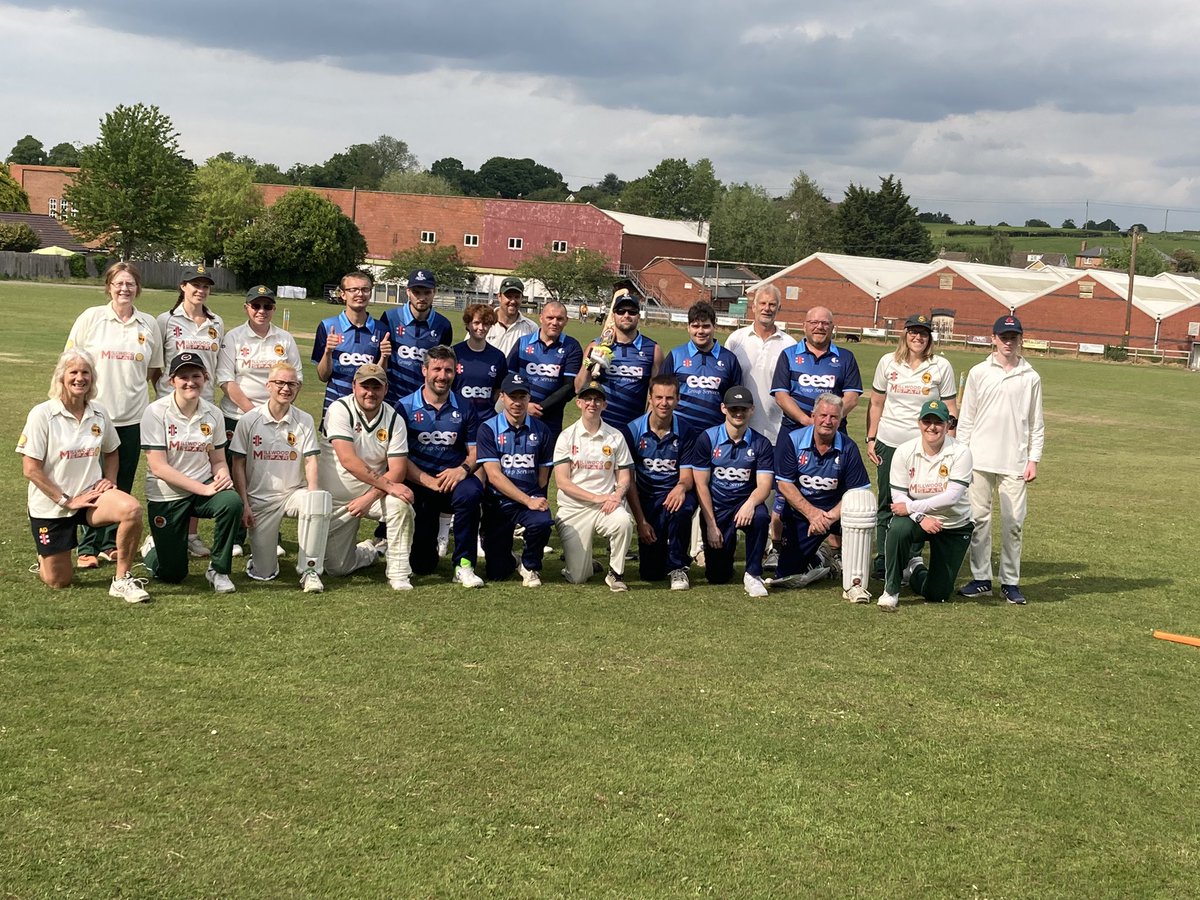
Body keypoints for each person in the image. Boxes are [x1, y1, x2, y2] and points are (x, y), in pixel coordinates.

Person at [17, 349, 149, 602]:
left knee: (131, 509)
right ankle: (45, 557)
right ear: (61, 377)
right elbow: (30, 469)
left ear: (92, 377)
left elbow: (112, 450)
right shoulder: (42, 414)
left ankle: (122, 579)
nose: (80, 378)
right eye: (73, 372)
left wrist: (109, 480)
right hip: (53, 505)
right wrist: (66, 499)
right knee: (59, 581)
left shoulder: (99, 412)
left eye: (85, 372)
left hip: (91, 498)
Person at [64, 261, 164, 569]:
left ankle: (110, 542)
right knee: (90, 482)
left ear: (138, 288)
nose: (124, 289)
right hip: (94, 417)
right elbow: (70, 361)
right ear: (109, 286)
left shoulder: (148, 324)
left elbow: (153, 371)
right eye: (119, 283)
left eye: (130, 283)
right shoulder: (92, 318)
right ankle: (87, 546)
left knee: (119, 482)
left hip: (133, 419)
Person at [955, 314, 1045, 605]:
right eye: (1003, 337)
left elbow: (1036, 422)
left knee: (1013, 522)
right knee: (978, 520)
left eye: (1013, 337)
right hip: (979, 458)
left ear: (1021, 339)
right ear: (993, 338)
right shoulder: (979, 372)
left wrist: (1034, 459)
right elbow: (966, 417)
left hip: (1015, 461)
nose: (1008, 342)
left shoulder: (1031, 376)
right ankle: (982, 578)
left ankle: (1010, 581)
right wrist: (961, 455)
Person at [139, 353, 244, 593]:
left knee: (231, 502)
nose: (190, 382)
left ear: (205, 378)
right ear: (171, 381)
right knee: (173, 574)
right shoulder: (155, 412)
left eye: (196, 376)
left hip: (202, 488)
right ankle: (152, 549)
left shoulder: (213, 413)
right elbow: (159, 467)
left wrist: (222, 475)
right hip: (167, 495)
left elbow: (217, 458)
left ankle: (219, 569)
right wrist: (204, 488)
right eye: (183, 377)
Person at [865, 314, 958, 579]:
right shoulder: (888, 362)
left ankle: (912, 556)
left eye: (924, 333)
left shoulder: (941, 365)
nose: (918, 338)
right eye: (913, 332)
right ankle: (884, 556)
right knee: (887, 501)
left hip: (925, 446)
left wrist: (948, 445)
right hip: (890, 442)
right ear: (904, 335)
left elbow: (951, 409)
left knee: (921, 500)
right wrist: (871, 438)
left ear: (930, 337)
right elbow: (876, 403)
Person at [216, 285, 304, 557]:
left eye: (267, 306)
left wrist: (275, 409)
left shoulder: (285, 338)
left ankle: (269, 534)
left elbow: (296, 378)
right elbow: (225, 379)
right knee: (235, 475)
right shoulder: (234, 337)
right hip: (238, 416)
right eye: (256, 306)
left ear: (274, 309)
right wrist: (254, 412)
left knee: (268, 476)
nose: (261, 311)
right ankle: (235, 537)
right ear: (247, 308)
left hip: (275, 418)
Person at [230, 361, 329, 593]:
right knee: (264, 574)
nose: (286, 388)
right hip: (260, 500)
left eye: (292, 384)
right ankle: (259, 560)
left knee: (319, 501)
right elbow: (238, 464)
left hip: (293, 493)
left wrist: (313, 494)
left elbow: (311, 460)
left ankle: (310, 571)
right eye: (280, 383)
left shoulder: (303, 419)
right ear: (268, 386)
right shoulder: (249, 420)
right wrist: (245, 504)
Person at [319, 364, 416, 591]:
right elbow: (349, 461)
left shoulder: (394, 419)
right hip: (336, 500)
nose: (370, 392)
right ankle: (370, 550)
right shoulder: (339, 409)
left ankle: (399, 573)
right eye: (364, 386)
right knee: (337, 567)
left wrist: (369, 496)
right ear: (354, 386)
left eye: (376, 387)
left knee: (400, 505)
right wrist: (382, 487)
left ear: (386, 389)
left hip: (373, 496)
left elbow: (398, 470)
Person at [398, 346, 485, 589]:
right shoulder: (404, 407)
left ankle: (464, 565)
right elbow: (397, 457)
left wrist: (463, 470)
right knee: (423, 566)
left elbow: (475, 451)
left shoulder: (465, 407)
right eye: (436, 369)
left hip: (454, 479)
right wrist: (426, 479)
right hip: (420, 482)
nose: (442, 376)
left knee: (471, 493)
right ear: (424, 370)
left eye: (448, 370)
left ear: (455, 372)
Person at [156, 265, 226, 560]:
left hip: (205, 405)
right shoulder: (165, 320)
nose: (200, 290)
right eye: (195, 285)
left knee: (199, 466)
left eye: (205, 286)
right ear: (182, 286)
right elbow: (157, 366)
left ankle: (192, 535)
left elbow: (215, 363)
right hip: (169, 404)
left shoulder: (216, 322)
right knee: (167, 466)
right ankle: (163, 528)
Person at [877, 399, 975, 611]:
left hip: (953, 523)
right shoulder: (904, 451)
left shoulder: (961, 452)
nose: (932, 427)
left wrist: (913, 508)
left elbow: (952, 497)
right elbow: (898, 496)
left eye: (938, 422)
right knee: (897, 528)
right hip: (919, 521)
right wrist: (921, 517)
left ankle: (915, 569)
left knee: (937, 594)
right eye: (927, 421)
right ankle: (891, 589)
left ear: (948, 424)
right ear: (919, 423)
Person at [772, 393, 872, 588]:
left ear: (840, 419)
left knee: (861, 515)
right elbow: (785, 485)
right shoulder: (793, 440)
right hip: (803, 513)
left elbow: (859, 491)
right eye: (823, 415)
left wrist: (827, 518)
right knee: (786, 575)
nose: (828, 421)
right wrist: (812, 514)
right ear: (813, 416)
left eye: (834, 417)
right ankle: (819, 557)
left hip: (837, 513)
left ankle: (854, 578)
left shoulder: (848, 447)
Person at [685, 386, 774, 598]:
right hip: (716, 507)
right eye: (733, 408)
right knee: (717, 576)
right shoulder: (707, 439)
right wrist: (711, 525)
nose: (738, 413)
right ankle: (726, 549)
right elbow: (701, 485)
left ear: (752, 410)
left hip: (744, 504)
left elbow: (764, 485)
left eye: (743, 409)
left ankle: (753, 574)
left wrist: (750, 504)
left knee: (761, 517)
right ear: (723, 408)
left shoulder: (761, 443)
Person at [552, 381, 635, 591]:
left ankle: (615, 574)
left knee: (623, 521)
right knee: (578, 577)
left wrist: (617, 496)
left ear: (604, 405)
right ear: (579, 403)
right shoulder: (566, 436)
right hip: (574, 509)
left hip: (605, 507)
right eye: (587, 399)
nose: (592, 403)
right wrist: (597, 497)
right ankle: (585, 564)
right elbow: (562, 482)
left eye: (598, 399)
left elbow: (625, 476)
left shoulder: (615, 436)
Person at [474, 373, 554, 586]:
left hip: (531, 497)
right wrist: (526, 499)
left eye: (522, 397)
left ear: (529, 399)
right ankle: (511, 559)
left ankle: (530, 565)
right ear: (502, 397)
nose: (517, 402)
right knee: (497, 573)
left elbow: (543, 475)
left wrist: (533, 499)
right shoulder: (488, 429)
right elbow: (494, 475)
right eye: (512, 397)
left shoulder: (542, 430)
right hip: (499, 501)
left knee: (543, 521)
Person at [620, 375, 697, 590]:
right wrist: (641, 521)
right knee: (651, 573)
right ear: (650, 398)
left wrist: (681, 488)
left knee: (683, 507)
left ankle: (679, 566)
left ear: (678, 399)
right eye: (659, 397)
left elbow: (687, 475)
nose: (664, 403)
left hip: (674, 492)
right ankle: (662, 556)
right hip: (646, 497)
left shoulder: (686, 430)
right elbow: (628, 481)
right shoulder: (632, 431)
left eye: (670, 398)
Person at [575, 290, 662, 430]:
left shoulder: (653, 349)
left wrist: (645, 426)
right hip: (599, 426)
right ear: (614, 315)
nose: (626, 315)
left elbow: (656, 395)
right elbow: (579, 388)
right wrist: (589, 363)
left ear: (638, 316)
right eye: (621, 311)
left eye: (632, 312)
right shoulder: (596, 345)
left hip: (633, 428)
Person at [772, 306, 862, 436]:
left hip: (833, 432)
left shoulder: (846, 357)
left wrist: (827, 421)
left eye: (825, 323)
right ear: (804, 326)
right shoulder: (788, 355)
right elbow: (781, 396)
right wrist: (807, 421)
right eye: (814, 322)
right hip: (793, 430)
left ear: (832, 328)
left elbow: (852, 398)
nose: (819, 327)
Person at [660, 301, 744, 439]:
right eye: (695, 326)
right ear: (688, 328)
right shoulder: (676, 356)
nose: (700, 331)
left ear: (714, 327)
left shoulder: (729, 359)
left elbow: (735, 401)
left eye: (706, 326)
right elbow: (660, 393)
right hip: (677, 433)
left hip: (714, 436)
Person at [312, 270, 388, 422]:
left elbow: (380, 375)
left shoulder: (382, 329)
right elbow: (322, 376)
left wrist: (384, 357)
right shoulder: (327, 326)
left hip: (368, 405)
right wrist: (328, 352)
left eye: (365, 289)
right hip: (336, 403)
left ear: (370, 293)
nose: (359, 294)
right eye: (353, 290)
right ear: (343, 294)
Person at [724, 284, 796, 443]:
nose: (767, 308)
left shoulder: (790, 345)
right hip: (738, 428)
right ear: (754, 306)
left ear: (779, 308)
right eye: (763, 303)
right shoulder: (736, 340)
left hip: (775, 431)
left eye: (772, 304)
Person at [506, 300, 583, 439]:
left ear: (566, 321)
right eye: (550, 318)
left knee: (546, 459)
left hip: (551, 418)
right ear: (541, 317)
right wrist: (525, 406)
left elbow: (569, 386)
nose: (554, 322)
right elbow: (507, 379)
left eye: (560, 319)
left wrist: (540, 407)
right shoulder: (523, 342)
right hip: (519, 413)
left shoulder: (572, 346)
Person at [379, 269, 454, 408]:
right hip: (391, 399)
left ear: (434, 292)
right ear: (408, 292)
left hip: (424, 402)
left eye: (427, 292)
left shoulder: (443, 325)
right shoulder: (390, 318)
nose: (421, 297)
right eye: (416, 292)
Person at [452, 303, 508, 438]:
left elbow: (499, 389)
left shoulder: (498, 356)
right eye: (476, 323)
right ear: (468, 324)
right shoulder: (455, 352)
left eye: (485, 323)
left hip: (485, 420)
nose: (481, 328)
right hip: (458, 418)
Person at [486, 276, 538, 356]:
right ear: (499, 297)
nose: (513, 301)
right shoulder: (484, 322)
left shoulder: (531, 328)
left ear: (522, 298)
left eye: (517, 297)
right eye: (509, 296)